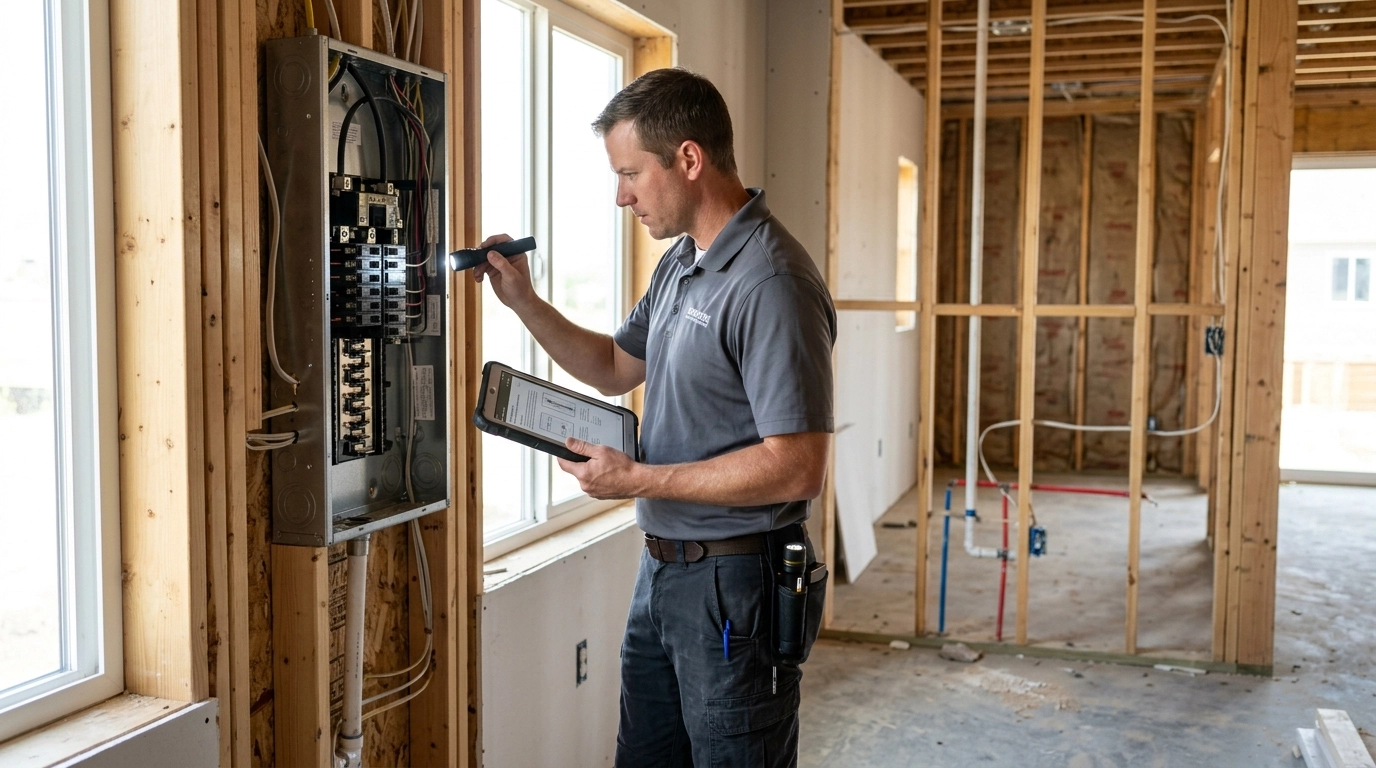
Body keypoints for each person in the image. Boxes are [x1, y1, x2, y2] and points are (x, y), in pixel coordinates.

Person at [473, 67, 835, 768]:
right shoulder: (681, 264)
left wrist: (638, 479)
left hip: (735, 588)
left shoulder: (772, 281)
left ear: (689, 159)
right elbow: (614, 365)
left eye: (630, 173)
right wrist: (524, 301)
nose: (622, 196)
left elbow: (797, 466)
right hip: (664, 573)